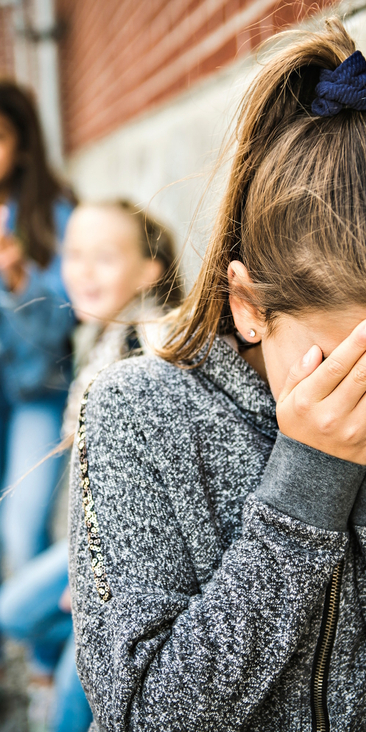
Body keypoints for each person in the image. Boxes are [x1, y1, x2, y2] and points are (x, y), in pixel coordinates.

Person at [68, 17, 366, 731]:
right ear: (249, 306)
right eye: (345, 365)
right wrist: (309, 483)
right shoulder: (137, 413)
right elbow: (141, 716)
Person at [0, 198, 181, 732]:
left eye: (103, 256)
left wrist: (92, 579)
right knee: (15, 613)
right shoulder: (101, 339)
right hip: (95, 543)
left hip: (127, 558)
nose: (81, 271)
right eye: (73, 254)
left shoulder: (152, 347)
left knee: (69, 704)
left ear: (150, 270)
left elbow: (157, 484)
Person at [0, 80, 75, 579]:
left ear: (22, 144)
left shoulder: (54, 214)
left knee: (21, 534)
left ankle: (50, 652)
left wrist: (19, 286)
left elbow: (64, 325)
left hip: (37, 391)